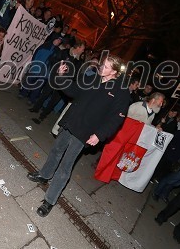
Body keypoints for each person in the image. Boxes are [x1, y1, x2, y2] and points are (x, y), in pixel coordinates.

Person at [26, 55, 131, 217]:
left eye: (106, 67)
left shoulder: (121, 92)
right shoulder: (93, 79)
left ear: (115, 72)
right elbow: (72, 90)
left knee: (65, 166)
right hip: (70, 123)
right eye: (102, 64)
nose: (101, 68)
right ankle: (44, 175)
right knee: (55, 151)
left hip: (85, 133)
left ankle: (49, 200)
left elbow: (116, 119)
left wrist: (99, 135)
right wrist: (60, 76)